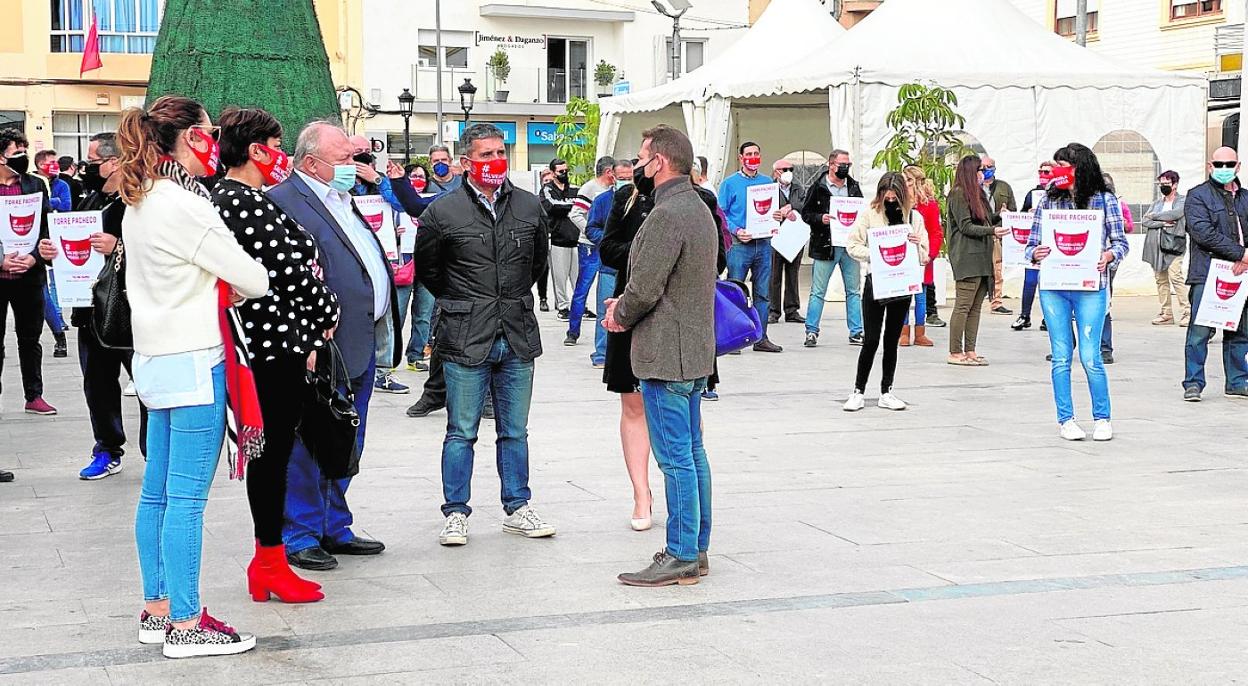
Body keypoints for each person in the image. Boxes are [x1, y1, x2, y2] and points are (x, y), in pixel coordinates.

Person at [118, 95, 269, 656]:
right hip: (195, 358)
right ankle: (186, 622)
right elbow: (253, 280)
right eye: (207, 131)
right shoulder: (184, 205)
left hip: (155, 359)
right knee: (186, 498)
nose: (213, 141)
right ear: (188, 138)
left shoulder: (142, 199)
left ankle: (157, 609)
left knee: (158, 493)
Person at [213, 108, 341, 603]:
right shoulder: (241, 202)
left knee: (275, 455)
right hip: (270, 351)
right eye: (274, 143)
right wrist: (325, 311)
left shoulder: (243, 199)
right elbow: (289, 273)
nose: (280, 153)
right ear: (254, 149)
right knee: (272, 457)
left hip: (280, 344)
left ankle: (268, 558)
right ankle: (269, 559)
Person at [415, 123, 555, 547]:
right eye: (486, 155)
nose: (495, 161)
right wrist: (466, 303)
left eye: (500, 153)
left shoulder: (529, 207)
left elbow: (537, 264)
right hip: (465, 333)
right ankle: (456, 512)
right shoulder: (442, 212)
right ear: (465, 163)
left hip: (515, 331)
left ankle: (518, 505)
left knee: (515, 430)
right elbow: (430, 273)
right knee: (461, 430)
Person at [267, 121, 396, 571]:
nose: (353, 166)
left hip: (357, 342)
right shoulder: (284, 203)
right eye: (343, 159)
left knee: (343, 435)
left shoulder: (341, 198)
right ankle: (299, 531)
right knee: (308, 440)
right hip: (316, 346)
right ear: (310, 164)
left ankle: (334, 524)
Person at [605, 125, 716, 588]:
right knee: (692, 453)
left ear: (661, 162)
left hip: (666, 353)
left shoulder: (667, 213)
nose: (637, 166)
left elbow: (646, 285)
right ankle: (697, 546)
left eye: (642, 158)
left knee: (675, 459)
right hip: (692, 350)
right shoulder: (698, 206)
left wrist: (618, 314)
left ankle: (681, 552)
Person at [36, 132, 147, 480]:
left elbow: (159, 253)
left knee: (148, 387)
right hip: (89, 311)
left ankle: (154, 453)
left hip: (131, 314)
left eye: (93, 162)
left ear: (115, 162)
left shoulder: (139, 203)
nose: (86, 168)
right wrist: (51, 254)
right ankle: (107, 448)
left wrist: (120, 245)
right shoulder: (91, 199)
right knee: (97, 386)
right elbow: (71, 251)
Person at [1025, 143, 1128, 440]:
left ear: (1080, 168)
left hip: (1090, 286)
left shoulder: (1104, 200)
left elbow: (1120, 242)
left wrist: (1108, 256)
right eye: (1055, 166)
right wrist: (1037, 253)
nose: (1059, 172)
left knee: (1090, 355)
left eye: (1064, 166)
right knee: (1060, 356)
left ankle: (1102, 417)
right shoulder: (1048, 201)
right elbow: (1031, 244)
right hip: (1055, 287)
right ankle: (1066, 419)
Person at [843, 172, 930, 412]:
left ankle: (886, 390)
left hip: (902, 284)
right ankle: (858, 391)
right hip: (876, 281)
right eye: (886, 197)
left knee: (891, 340)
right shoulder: (870, 215)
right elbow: (852, 245)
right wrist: (875, 254)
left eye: (894, 197)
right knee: (870, 339)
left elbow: (925, 254)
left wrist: (916, 245)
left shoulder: (914, 217)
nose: (890, 201)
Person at [599, 170, 656, 528]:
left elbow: (717, 259)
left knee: (682, 411)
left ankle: (684, 492)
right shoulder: (626, 198)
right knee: (633, 405)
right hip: (629, 305)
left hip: (677, 316)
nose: (641, 165)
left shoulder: (698, 200)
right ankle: (641, 493)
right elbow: (607, 247)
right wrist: (645, 251)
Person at [1181, 146, 1248, 402]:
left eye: (1228, 164)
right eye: (1218, 165)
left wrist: (1245, 258)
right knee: (1200, 331)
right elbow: (1203, 233)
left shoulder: (1245, 198)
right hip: (1207, 273)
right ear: (1210, 167)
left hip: (1240, 274)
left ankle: (1238, 380)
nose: (1223, 169)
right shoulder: (1197, 196)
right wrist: (1241, 254)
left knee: (1239, 331)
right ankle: (1193, 382)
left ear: (1238, 166)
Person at [0, 128, 57, 417]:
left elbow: (46, 226)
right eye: (16, 153)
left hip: (29, 276)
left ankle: (34, 395)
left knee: (30, 338)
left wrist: (35, 258)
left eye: (24, 152)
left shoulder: (35, 185)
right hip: (1, 273)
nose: (22, 158)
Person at [719, 141, 783, 353]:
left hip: (763, 244)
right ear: (740, 157)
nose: (753, 157)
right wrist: (737, 230)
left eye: (756, 153)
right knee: (736, 290)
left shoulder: (767, 182)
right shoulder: (729, 184)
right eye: (749, 154)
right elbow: (722, 214)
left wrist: (777, 216)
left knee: (763, 294)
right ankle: (734, 337)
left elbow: (776, 211)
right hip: (739, 245)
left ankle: (761, 337)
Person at [801, 149, 865, 347]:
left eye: (848, 165)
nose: (845, 168)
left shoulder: (853, 187)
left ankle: (856, 331)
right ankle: (811, 331)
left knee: (853, 290)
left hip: (849, 245)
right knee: (818, 291)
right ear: (831, 165)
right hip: (825, 245)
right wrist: (821, 218)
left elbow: (862, 211)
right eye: (842, 165)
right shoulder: (818, 187)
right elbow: (806, 213)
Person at [946, 155, 1004, 366]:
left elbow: (984, 219)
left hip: (982, 256)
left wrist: (999, 216)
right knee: (963, 305)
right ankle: (955, 351)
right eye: (981, 169)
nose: (984, 173)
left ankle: (970, 349)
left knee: (976, 307)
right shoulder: (958, 194)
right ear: (971, 172)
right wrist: (993, 230)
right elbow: (966, 226)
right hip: (967, 257)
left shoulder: (978, 194)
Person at [584, 158, 634, 368]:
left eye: (629, 178)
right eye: (622, 178)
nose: (626, 181)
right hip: (609, 266)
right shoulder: (602, 201)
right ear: (612, 177)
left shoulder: (641, 200)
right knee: (605, 310)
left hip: (633, 267)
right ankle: (601, 353)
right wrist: (607, 239)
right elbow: (591, 228)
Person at [564, 156, 614, 345]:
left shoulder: (611, 191)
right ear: (609, 172)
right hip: (590, 247)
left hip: (607, 246)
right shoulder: (590, 188)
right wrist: (592, 233)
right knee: (582, 288)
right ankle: (573, 331)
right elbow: (575, 214)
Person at [31, 150, 71, 358]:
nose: (55, 165)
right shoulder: (30, 182)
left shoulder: (61, 184)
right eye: (51, 162)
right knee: (42, 292)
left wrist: (48, 201)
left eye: (56, 162)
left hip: (53, 240)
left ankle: (59, 333)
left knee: (48, 290)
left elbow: (66, 206)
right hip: (31, 242)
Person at [398, 162, 437, 372]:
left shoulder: (433, 201)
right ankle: (390, 358)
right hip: (404, 262)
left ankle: (416, 354)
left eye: (421, 176)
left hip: (427, 262)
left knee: (424, 313)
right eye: (413, 176)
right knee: (398, 313)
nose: (417, 180)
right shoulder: (396, 203)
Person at [1141, 170, 1189, 327]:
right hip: (1156, 246)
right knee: (1160, 279)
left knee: (1175, 276)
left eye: (1166, 184)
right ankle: (1166, 313)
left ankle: (1188, 312)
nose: (1163, 187)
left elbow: (1175, 214)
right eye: (1161, 184)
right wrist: (1162, 223)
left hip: (1175, 245)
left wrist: (1155, 216)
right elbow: (1144, 221)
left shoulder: (1182, 201)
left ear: (1175, 185)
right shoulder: (1156, 203)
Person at [899, 166, 939, 347]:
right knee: (904, 296)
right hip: (902, 257)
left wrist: (930, 254)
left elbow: (936, 232)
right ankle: (904, 331)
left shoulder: (929, 205)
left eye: (907, 180)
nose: (905, 184)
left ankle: (920, 331)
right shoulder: (898, 203)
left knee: (921, 296)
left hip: (922, 256)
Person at [1013, 161, 1055, 331]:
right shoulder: (1033, 193)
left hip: (1053, 245)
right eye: (1041, 172)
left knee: (1050, 283)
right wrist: (1029, 213)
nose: (1043, 175)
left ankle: (1049, 317)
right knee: (1030, 280)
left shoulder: (1060, 193)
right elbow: (1021, 213)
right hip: (1036, 244)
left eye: (1047, 172)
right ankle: (1025, 315)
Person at [767, 159, 807, 325]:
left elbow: (805, 205)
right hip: (776, 236)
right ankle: (773, 311)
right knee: (774, 274)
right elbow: (764, 209)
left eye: (791, 169)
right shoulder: (769, 188)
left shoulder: (798, 188)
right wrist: (777, 213)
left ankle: (792, 309)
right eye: (784, 169)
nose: (788, 172)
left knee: (793, 273)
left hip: (794, 235)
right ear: (776, 172)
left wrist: (791, 207)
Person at [540, 158, 580, 319]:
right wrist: (572, 206)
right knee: (560, 277)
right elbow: (552, 207)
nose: (565, 174)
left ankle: (580, 306)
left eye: (566, 170)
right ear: (553, 173)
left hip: (576, 240)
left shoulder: (575, 189)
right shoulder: (547, 190)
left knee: (578, 277)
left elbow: (583, 207)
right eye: (561, 171)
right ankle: (563, 307)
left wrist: (567, 206)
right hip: (558, 240)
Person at [981, 155, 1016, 315]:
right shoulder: (975, 187)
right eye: (983, 167)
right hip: (979, 233)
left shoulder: (1004, 187)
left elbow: (1012, 210)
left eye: (989, 167)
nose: (986, 170)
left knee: (997, 270)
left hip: (997, 235)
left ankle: (996, 302)